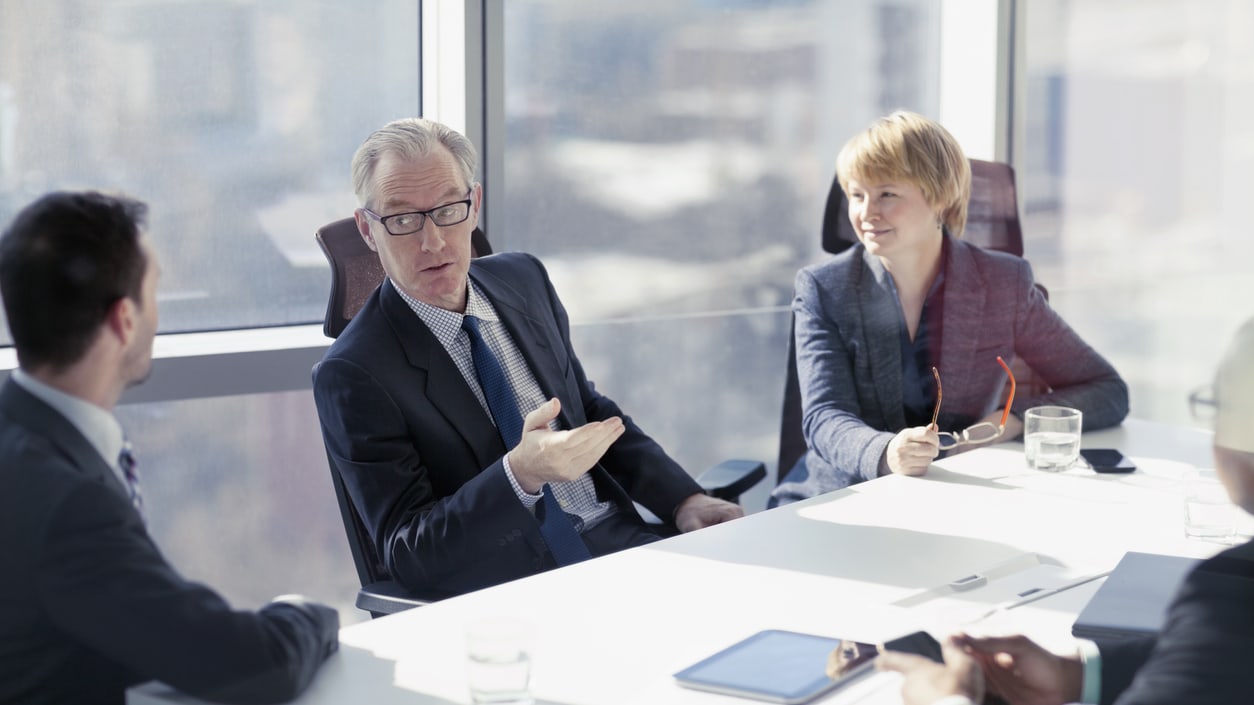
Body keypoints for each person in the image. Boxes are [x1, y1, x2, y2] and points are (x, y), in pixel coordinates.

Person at [312, 117, 742, 598]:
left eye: (448, 210)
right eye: (403, 220)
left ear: (474, 206)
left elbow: (589, 412)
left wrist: (683, 499)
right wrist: (519, 476)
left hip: (623, 549)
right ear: (368, 231)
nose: (431, 242)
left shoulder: (524, 280)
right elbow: (409, 553)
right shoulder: (354, 373)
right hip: (513, 593)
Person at [0, 192, 339, 705]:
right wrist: (307, 609)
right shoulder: (68, 506)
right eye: (155, 289)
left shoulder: (24, 444)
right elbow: (253, 666)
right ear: (125, 320)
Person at [876, 314, 1254, 705]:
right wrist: (1079, 675)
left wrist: (946, 700)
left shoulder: (1231, 593)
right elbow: (1226, 658)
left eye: (1218, 403)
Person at [772, 111, 1128, 505]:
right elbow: (824, 419)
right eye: (857, 195)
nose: (866, 212)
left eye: (887, 194)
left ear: (940, 197)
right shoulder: (825, 288)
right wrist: (887, 452)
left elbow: (1107, 391)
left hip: (958, 496)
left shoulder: (1002, 283)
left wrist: (1007, 422)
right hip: (843, 498)